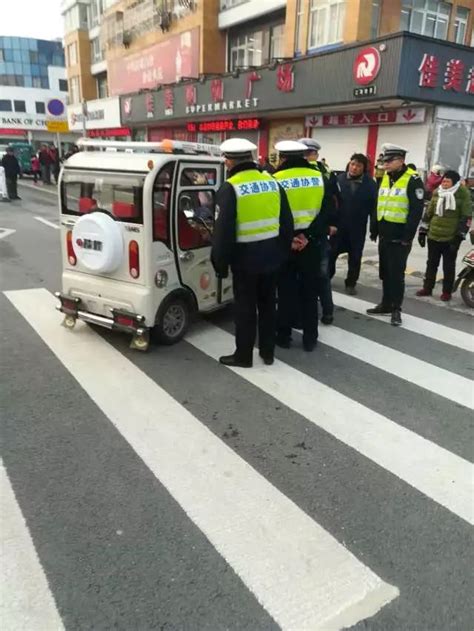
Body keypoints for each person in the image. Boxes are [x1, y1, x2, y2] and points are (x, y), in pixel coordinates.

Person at [211, 138, 293, 368]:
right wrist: (283, 252)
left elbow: (222, 232)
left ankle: (244, 356)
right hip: (272, 257)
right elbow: (287, 222)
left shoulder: (230, 188)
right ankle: (268, 352)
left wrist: (220, 263)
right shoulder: (272, 182)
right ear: (250, 158)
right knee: (268, 306)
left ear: (229, 161)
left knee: (245, 310)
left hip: (245, 261)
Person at [274, 140, 334, 351]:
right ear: (304, 155)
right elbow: (327, 212)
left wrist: (291, 237)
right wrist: (307, 235)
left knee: (286, 291)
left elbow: (275, 214)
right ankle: (310, 338)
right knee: (310, 291)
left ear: (282, 157)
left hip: (286, 245)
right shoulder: (319, 178)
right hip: (313, 243)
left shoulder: (275, 179)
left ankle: (283, 336)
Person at [368, 143, 424, 326]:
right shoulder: (385, 177)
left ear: (401, 161)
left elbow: (416, 212)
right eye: (384, 160)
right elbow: (379, 203)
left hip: (400, 237)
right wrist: (374, 228)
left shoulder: (413, 180)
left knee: (396, 274)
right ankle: (385, 303)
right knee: (385, 272)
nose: (385, 164)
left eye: (389, 161)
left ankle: (396, 309)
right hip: (384, 234)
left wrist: (407, 237)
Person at [298, 137, 339, 324]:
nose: (305, 156)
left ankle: (326, 312)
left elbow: (335, 201)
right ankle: (314, 312)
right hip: (309, 231)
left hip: (313, 231)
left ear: (315, 154)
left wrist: (333, 224)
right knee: (314, 275)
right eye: (303, 153)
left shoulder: (325, 173)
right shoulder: (318, 172)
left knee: (319, 274)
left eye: (308, 153)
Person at [416, 170, 472, 301]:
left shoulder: (463, 194)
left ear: (455, 182)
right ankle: (427, 288)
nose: (445, 183)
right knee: (431, 263)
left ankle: (447, 291)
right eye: (444, 181)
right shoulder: (437, 192)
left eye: (448, 181)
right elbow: (429, 213)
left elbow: (466, 217)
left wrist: (458, 237)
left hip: (450, 238)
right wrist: (423, 231)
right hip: (434, 235)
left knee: (448, 266)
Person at [330, 153, 378, 295]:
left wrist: (374, 228)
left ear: (364, 168)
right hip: (338, 227)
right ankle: (327, 277)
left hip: (357, 228)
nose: (354, 168)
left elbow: (374, 208)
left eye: (358, 165)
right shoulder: (338, 180)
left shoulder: (370, 185)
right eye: (352, 164)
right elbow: (331, 204)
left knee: (355, 257)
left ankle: (351, 283)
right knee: (331, 254)